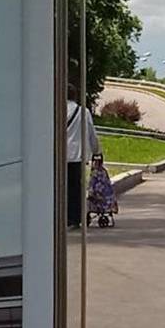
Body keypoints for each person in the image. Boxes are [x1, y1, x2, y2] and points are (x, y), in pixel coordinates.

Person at [66, 95, 101, 229]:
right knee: (76, 187)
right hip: (77, 156)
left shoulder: (56, 110)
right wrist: (97, 151)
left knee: (61, 187)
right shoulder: (83, 112)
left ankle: (63, 215)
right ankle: (76, 217)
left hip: (59, 155)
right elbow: (91, 133)